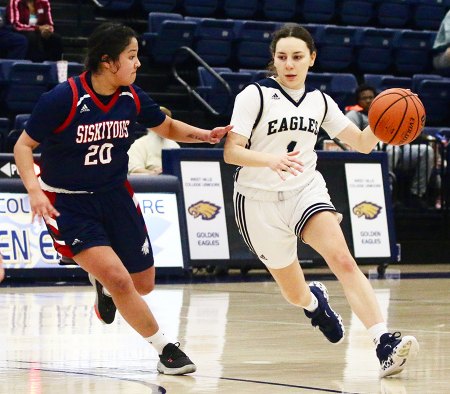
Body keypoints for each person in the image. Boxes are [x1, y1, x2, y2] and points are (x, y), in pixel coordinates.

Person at [13, 22, 232, 375]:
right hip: (69, 203)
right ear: (108, 62)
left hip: (116, 196)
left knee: (142, 284)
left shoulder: (131, 97)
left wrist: (206, 135)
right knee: (120, 279)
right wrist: (35, 191)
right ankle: (166, 350)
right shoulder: (63, 98)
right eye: (131, 56)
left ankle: (102, 285)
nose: (138, 63)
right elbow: (23, 145)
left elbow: (167, 127)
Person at [223, 23, 419, 378]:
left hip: (304, 190)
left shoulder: (321, 101)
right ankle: (315, 304)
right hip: (257, 201)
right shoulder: (254, 95)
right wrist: (270, 160)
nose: (289, 64)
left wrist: (381, 117)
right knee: (294, 292)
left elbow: (360, 143)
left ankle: (383, 342)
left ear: (311, 58)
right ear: (274, 60)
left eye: (297, 57)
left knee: (343, 259)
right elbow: (232, 152)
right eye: (282, 57)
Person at [345, 84, 435, 209]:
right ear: (358, 101)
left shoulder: (392, 110)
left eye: (371, 97)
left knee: (427, 151)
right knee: (393, 149)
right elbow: (349, 139)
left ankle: (417, 194)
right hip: (372, 153)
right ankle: (389, 194)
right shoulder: (355, 115)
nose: (368, 100)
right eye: (364, 98)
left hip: (399, 148)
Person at [128, 106, 180, 175]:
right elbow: (134, 170)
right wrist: (153, 173)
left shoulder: (174, 146)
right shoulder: (138, 145)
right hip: (148, 183)